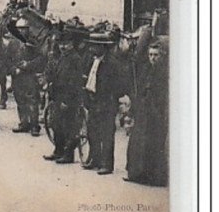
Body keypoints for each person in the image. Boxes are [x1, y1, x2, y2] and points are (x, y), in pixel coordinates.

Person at [83, 31, 130, 175]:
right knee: (92, 131)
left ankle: (107, 164)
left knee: (106, 134)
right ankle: (95, 159)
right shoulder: (92, 60)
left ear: (103, 47)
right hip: (93, 100)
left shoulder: (112, 63)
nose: (91, 49)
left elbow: (120, 85)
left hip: (106, 102)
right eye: (91, 46)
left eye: (95, 46)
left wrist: (110, 98)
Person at [125, 37, 169, 186]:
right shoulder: (146, 70)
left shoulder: (165, 73)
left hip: (156, 113)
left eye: (156, 55)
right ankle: (137, 174)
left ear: (161, 56)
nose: (153, 58)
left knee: (153, 145)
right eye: (150, 55)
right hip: (143, 112)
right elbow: (140, 90)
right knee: (138, 143)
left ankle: (154, 178)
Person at [43, 26, 87, 163]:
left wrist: (67, 101)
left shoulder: (75, 59)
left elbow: (74, 82)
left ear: (72, 44)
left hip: (68, 98)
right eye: (61, 44)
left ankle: (68, 155)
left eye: (66, 44)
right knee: (57, 125)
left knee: (69, 127)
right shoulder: (62, 57)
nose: (63, 47)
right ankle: (58, 150)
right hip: (58, 96)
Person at [9, 17, 46, 136]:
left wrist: (28, 65)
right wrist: (14, 69)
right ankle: (24, 123)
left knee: (32, 101)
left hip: (29, 76)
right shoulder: (13, 43)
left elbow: (41, 58)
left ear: (28, 29)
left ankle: (34, 125)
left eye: (23, 29)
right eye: (19, 29)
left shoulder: (34, 42)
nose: (21, 31)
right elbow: (7, 59)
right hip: (17, 76)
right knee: (20, 100)